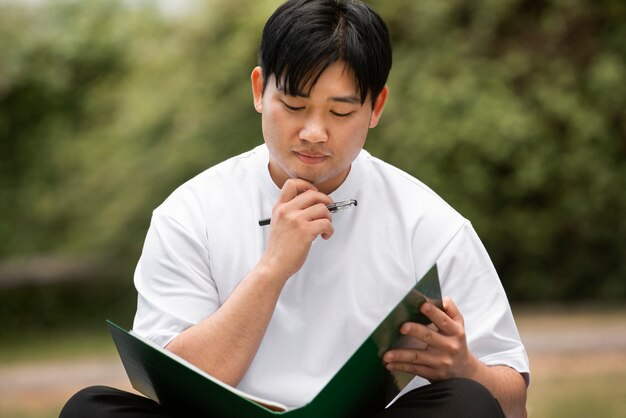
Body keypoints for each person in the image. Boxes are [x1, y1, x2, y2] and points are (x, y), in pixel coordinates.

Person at [60, 0, 530, 417]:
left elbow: (511, 403)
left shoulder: (431, 224)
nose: (314, 132)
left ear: (376, 106)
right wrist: (272, 268)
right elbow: (171, 387)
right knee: (90, 409)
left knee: (467, 403)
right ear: (259, 90)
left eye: (340, 112)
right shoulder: (189, 214)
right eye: (293, 103)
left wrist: (467, 367)